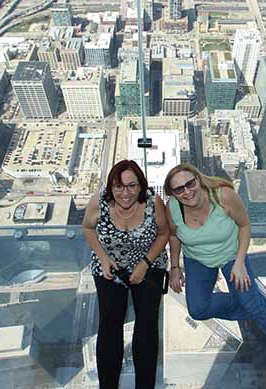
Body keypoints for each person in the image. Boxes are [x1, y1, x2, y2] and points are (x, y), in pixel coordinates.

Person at [161, 163, 266, 389]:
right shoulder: (173, 208)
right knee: (199, 309)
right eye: (179, 189)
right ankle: (258, 299)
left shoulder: (223, 196)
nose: (187, 192)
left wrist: (239, 263)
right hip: (198, 258)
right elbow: (175, 235)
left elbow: (245, 225)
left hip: (230, 255)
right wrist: (175, 266)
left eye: (190, 183)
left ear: (198, 179)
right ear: (173, 193)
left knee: (256, 309)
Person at [82, 159, 169, 389]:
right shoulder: (99, 202)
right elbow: (88, 228)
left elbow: (164, 233)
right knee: (110, 324)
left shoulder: (153, 203)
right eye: (118, 186)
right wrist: (102, 257)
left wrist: (144, 264)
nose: (125, 193)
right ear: (111, 187)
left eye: (132, 185)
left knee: (147, 325)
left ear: (141, 186)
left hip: (148, 263)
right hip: (111, 264)